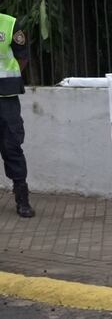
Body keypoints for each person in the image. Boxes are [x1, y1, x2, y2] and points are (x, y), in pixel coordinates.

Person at [0, 13, 34, 218]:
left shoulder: (10, 24)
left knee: (11, 146)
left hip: (7, 96)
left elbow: (22, 57)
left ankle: (22, 198)